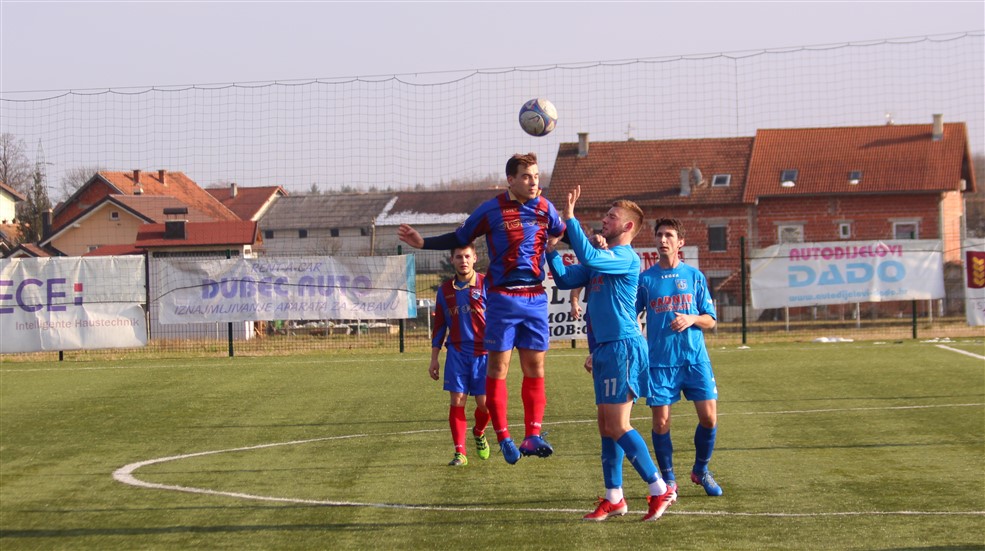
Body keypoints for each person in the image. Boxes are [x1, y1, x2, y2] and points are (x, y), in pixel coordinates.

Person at [398, 152, 567, 464]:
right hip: (503, 298)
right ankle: (503, 436)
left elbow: (563, 231)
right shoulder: (491, 210)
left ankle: (532, 435)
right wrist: (424, 243)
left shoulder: (545, 207)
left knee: (536, 368)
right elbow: (461, 236)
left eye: (536, 176)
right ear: (511, 180)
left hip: (535, 297)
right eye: (527, 176)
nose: (533, 182)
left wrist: (587, 241)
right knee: (498, 369)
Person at [546, 186, 677, 522]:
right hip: (605, 348)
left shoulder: (626, 257)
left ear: (628, 227)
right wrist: (551, 251)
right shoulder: (601, 259)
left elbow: (589, 258)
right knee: (606, 426)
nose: (605, 220)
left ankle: (659, 488)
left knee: (618, 424)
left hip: (624, 347)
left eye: (612, 216)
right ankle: (614, 497)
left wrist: (570, 219)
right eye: (605, 215)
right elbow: (563, 279)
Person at [636, 218, 723, 497]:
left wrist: (692, 318)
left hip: (695, 360)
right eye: (659, 235)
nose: (663, 240)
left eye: (669, 235)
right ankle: (669, 479)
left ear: (680, 242)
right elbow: (630, 316)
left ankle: (700, 470)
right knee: (661, 423)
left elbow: (710, 321)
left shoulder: (695, 277)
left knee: (709, 418)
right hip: (660, 363)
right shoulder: (645, 280)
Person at [430, 243, 491, 467]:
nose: (463, 260)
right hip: (456, 353)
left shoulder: (487, 284)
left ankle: (478, 431)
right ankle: (460, 453)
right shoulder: (444, 290)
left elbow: (500, 318)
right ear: (452, 260)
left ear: (475, 258)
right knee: (457, 401)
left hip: (485, 355)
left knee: (486, 405)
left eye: (467, 256)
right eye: (458, 257)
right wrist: (434, 358)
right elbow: (439, 327)